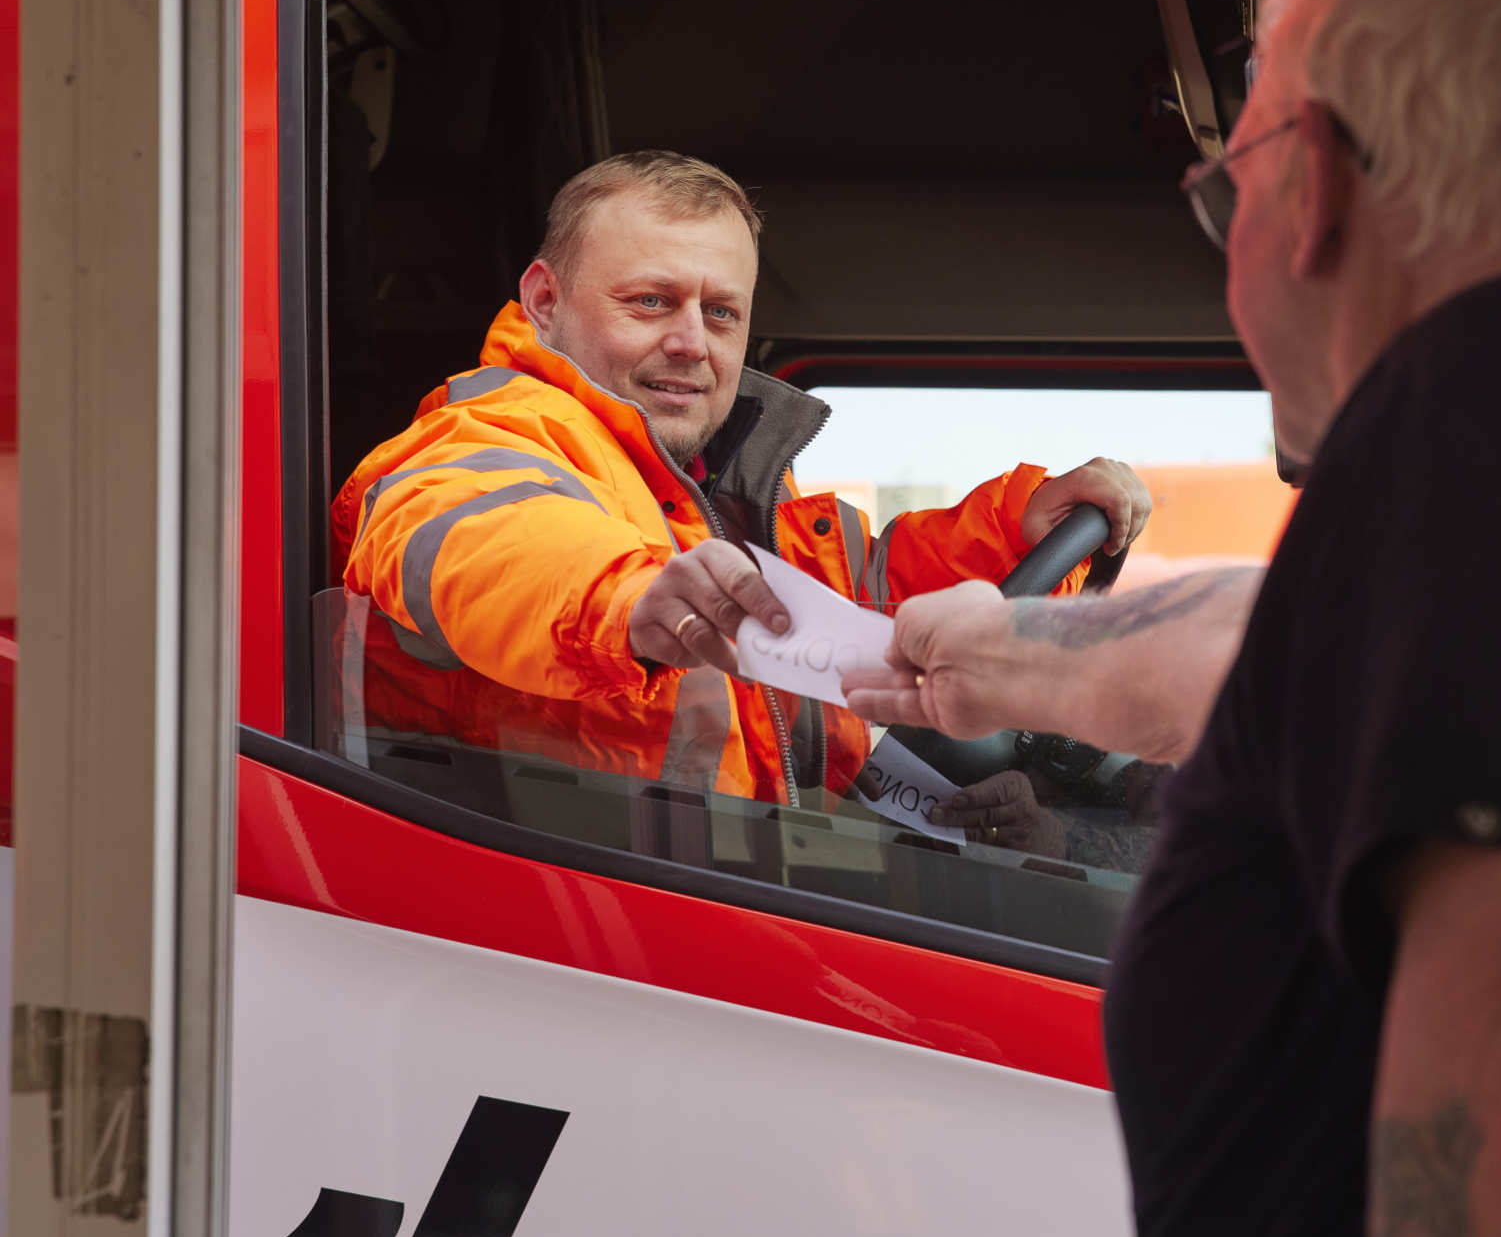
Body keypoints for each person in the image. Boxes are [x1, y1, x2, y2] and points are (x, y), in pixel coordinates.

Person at [844, 0, 1501, 1236]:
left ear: (1317, 179)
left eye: (1229, 190)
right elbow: (1265, 639)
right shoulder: (1480, 477)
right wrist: (995, 652)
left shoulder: (1478, 408)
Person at [332, 150, 1151, 805]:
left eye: (720, 312)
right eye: (651, 302)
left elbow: (861, 588)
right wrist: (628, 598)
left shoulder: (713, 489)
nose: (694, 342)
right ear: (545, 302)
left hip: (709, 912)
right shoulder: (480, 439)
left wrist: (1020, 528)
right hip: (542, 936)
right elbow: (483, 538)